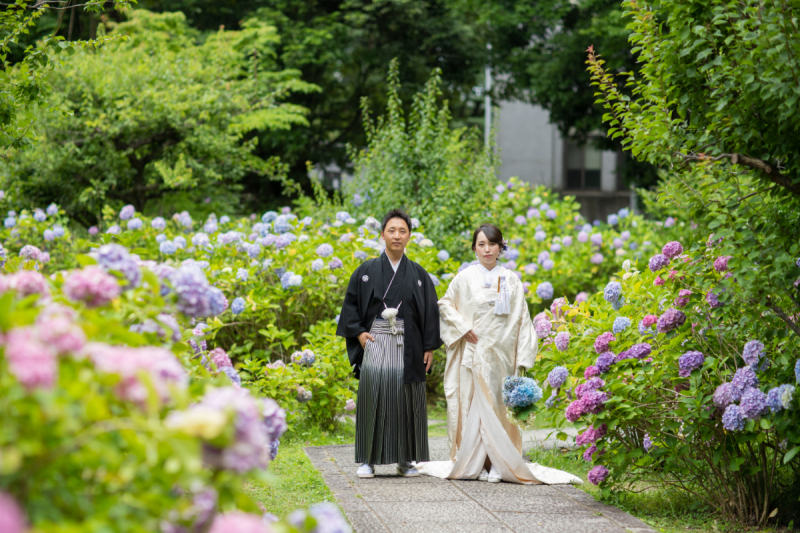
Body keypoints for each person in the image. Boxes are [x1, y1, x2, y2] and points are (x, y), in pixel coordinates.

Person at [417, 223, 581, 485]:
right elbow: (445, 305)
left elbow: (522, 320)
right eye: (481, 244)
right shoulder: (464, 278)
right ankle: (473, 461)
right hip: (472, 352)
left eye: (492, 244)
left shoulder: (511, 280)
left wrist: (523, 359)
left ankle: (498, 463)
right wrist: (463, 327)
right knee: (471, 406)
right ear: (474, 248)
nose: (486, 249)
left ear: (500, 247)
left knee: (500, 408)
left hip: (502, 356)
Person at [336, 209, 442, 478]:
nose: (397, 235)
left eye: (402, 231)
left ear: (409, 236)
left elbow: (430, 312)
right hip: (376, 339)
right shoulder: (366, 270)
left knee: (408, 399)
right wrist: (359, 333)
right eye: (392, 230)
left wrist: (429, 346)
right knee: (374, 393)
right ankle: (368, 460)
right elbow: (350, 304)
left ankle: (405, 460)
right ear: (382, 234)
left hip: (409, 343)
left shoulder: (418, 274)